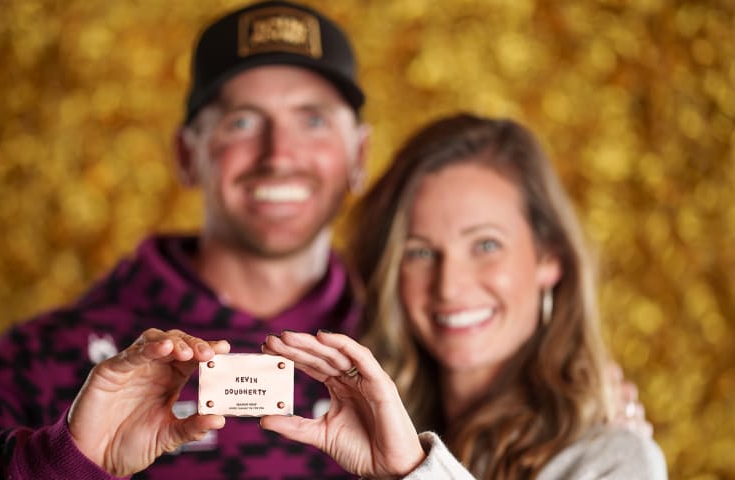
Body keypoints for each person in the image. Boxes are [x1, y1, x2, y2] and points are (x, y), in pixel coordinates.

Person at [0, 1, 370, 478]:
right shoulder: (57, 350)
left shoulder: (407, 342)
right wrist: (62, 460)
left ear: (359, 156)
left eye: (313, 120)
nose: (279, 155)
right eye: (241, 121)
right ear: (185, 155)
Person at [261, 113, 668, 479]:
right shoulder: (344, 417)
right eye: (419, 252)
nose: (449, 286)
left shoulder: (615, 460)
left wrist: (412, 472)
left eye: (486, 246)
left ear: (549, 258)